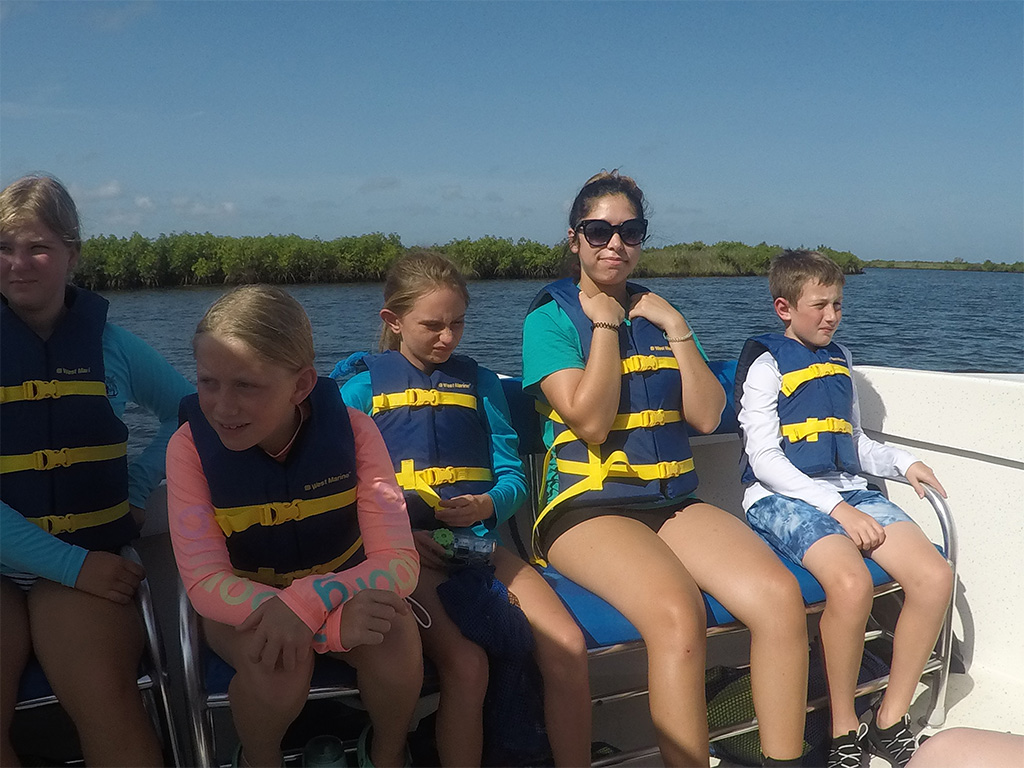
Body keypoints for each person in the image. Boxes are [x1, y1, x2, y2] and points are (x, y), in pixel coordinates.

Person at [521, 171, 809, 768]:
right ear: (574, 238)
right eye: (598, 231)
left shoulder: (659, 317)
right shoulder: (549, 320)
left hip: (669, 499)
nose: (614, 244)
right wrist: (602, 322)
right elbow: (590, 422)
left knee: (778, 595)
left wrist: (677, 328)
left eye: (630, 231)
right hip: (585, 509)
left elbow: (706, 416)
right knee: (677, 613)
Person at [337, 251, 592, 767]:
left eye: (457, 324)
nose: (447, 338)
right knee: (467, 665)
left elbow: (514, 476)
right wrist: (401, 537)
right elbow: (340, 491)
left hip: (478, 544)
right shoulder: (360, 390)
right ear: (393, 320)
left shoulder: (479, 385)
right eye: (432, 325)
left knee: (567, 645)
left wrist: (489, 503)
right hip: (407, 555)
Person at [166, 285, 423, 768]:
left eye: (246, 385)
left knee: (396, 635)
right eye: (208, 383)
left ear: (301, 386)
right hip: (243, 603)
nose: (222, 407)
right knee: (278, 664)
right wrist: (322, 630)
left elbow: (400, 563)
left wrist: (309, 603)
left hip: (338, 591)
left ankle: (388, 753)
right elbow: (204, 584)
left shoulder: (354, 431)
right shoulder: (188, 449)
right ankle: (259, 759)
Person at [0, 174, 193, 766]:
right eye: (3, 247)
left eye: (37, 247)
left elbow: (191, 413)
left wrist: (137, 488)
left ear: (72, 255)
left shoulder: (112, 344)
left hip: (96, 555)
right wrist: (71, 565)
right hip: (27, 564)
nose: (17, 263)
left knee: (108, 710)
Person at [735, 249, 954, 768]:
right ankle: (842, 728)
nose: (831, 316)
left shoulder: (841, 360)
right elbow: (765, 460)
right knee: (851, 584)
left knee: (934, 577)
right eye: (819, 306)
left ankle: (889, 719)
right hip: (780, 497)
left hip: (845, 491)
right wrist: (838, 509)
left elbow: (852, 443)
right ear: (784, 308)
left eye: (837, 304)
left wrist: (905, 464)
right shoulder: (766, 366)